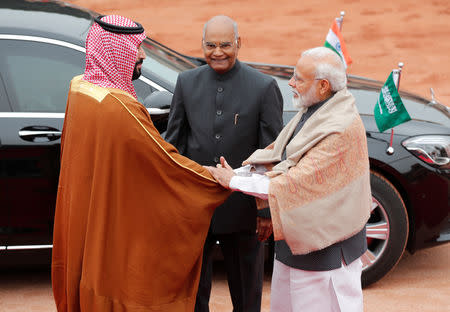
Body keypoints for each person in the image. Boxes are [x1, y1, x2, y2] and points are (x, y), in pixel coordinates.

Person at [51, 15, 231, 312]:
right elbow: (164, 165)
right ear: (114, 50)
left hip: (88, 217)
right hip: (109, 231)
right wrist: (211, 178)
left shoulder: (79, 87)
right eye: (136, 48)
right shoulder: (120, 107)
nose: (142, 55)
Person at [207, 47, 371, 312]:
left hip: (324, 255)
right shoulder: (317, 110)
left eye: (299, 79)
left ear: (323, 86)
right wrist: (236, 174)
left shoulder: (338, 127)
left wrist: (233, 182)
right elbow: (282, 158)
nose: (291, 83)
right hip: (295, 245)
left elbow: (295, 183)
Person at [165, 15, 283, 312]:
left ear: (239, 44)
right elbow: (175, 145)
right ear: (202, 45)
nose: (217, 52)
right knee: (193, 298)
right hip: (196, 211)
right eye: (211, 45)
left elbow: (271, 155)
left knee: (247, 297)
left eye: (225, 45)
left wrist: (266, 209)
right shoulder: (186, 82)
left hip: (243, 211)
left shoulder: (263, 86)